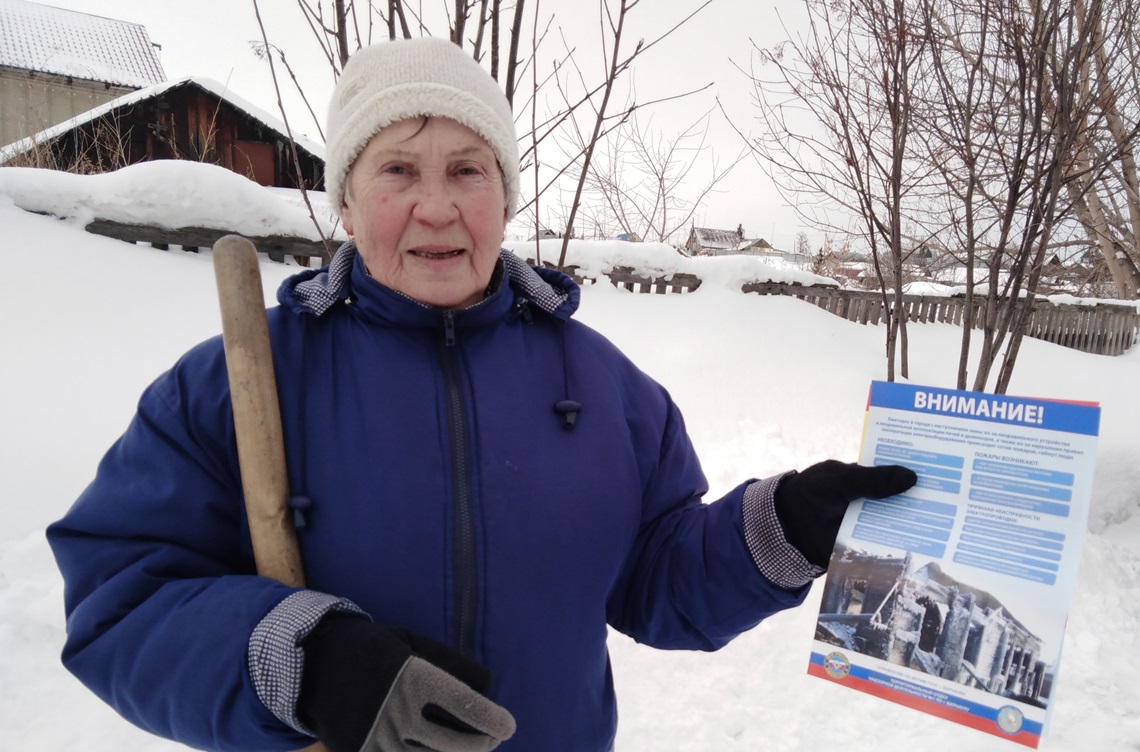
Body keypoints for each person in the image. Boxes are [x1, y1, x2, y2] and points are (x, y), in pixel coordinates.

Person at [47, 36, 916, 752]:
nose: (436, 208)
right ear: (347, 201)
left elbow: (658, 580)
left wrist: (786, 527)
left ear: (503, 197)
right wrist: (309, 664)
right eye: (396, 171)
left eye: (467, 169)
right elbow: (120, 600)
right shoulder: (239, 383)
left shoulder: (605, 387)